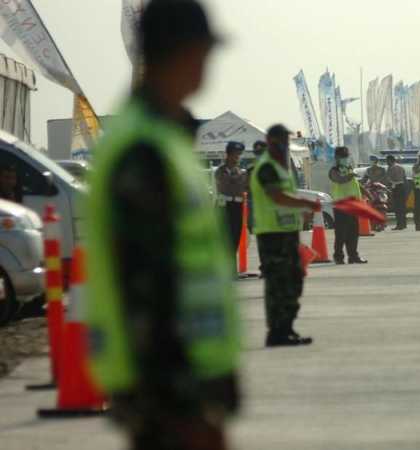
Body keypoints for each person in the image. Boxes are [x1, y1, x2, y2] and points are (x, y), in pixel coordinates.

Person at [85, 2, 240, 450]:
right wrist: (181, 402)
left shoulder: (164, 139)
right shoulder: (144, 149)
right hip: (166, 384)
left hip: (180, 377)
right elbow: (144, 284)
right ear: (185, 53)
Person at [251, 125, 319, 347]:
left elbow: (287, 197)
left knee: (293, 280)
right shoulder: (266, 168)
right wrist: (305, 203)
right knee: (278, 284)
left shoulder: (282, 167)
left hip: (287, 233)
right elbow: (277, 197)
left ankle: (288, 328)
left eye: (286, 140)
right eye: (281, 139)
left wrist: (302, 211)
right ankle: (277, 332)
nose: (285, 144)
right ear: (271, 140)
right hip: (272, 235)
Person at [329, 146, 368, 264]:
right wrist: (351, 175)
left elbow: (354, 183)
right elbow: (340, 180)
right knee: (341, 233)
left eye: (346, 156)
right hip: (341, 206)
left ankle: (353, 256)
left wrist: (366, 192)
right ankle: (339, 257)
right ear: (336, 158)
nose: (345, 159)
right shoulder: (334, 170)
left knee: (353, 233)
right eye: (343, 157)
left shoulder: (349, 169)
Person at [215, 141, 247, 268]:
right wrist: (240, 177)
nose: (237, 158)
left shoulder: (240, 172)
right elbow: (228, 184)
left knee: (235, 238)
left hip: (237, 207)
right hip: (224, 207)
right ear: (227, 155)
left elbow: (242, 187)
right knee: (225, 239)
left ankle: (231, 268)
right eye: (235, 155)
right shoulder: (221, 171)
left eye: (239, 155)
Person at [386, 155, 407, 230]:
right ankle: (403, 224)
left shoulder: (392, 168)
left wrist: (389, 184)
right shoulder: (401, 167)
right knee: (402, 207)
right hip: (402, 187)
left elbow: (391, 179)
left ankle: (399, 225)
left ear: (390, 160)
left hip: (396, 188)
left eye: (387, 161)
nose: (386, 162)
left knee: (398, 208)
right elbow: (405, 178)